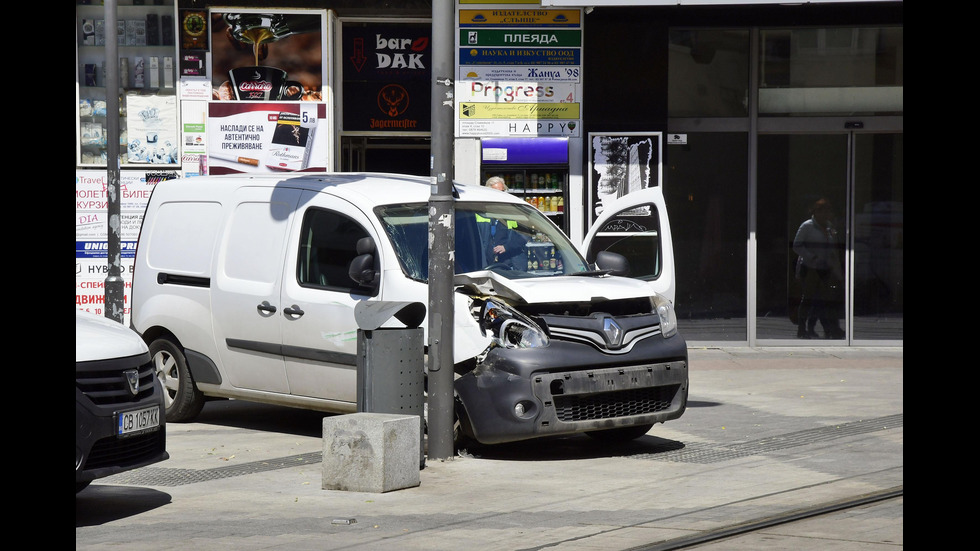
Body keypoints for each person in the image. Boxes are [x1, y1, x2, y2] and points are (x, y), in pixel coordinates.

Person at [792, 198, 845, 339]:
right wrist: (811, 257)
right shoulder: (807, 226)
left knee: (825, 299)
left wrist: (838, 274)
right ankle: (802, 329)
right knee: (809, 299)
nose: (825, 214)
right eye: (822, 211)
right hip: (810, 267)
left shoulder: (829, 228)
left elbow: (833, 252)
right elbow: (797, 245)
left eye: (827, 211)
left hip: (826, 269)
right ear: (815, 212)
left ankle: (828, 329)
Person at [482, 176, 526, 268]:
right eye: (496, 192)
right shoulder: (480, 211)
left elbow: (524, 235)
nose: (500, 194)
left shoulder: (514, 210)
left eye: (502, 191)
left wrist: (506, 247)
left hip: (512, 262)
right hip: (488, 262)